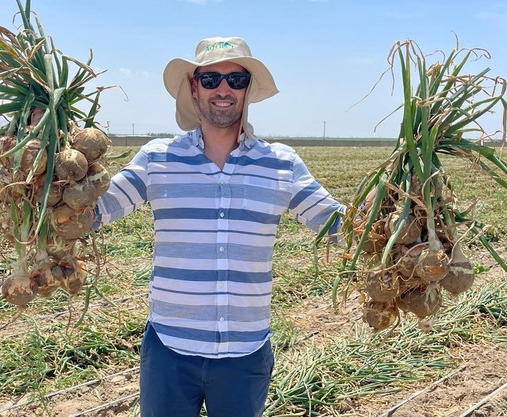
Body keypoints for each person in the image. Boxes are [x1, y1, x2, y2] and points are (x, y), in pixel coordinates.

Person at [94, 36, 346, 417]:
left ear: (248, 89)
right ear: (194, 88)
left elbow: (339, 224)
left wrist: (405, 212)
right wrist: (46, 173)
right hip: (169, 351)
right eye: (211, 79)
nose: (223, 90)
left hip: (244, 355)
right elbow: (95, 211)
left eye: (236, 80)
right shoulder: (158, 159)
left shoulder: (281, 164)